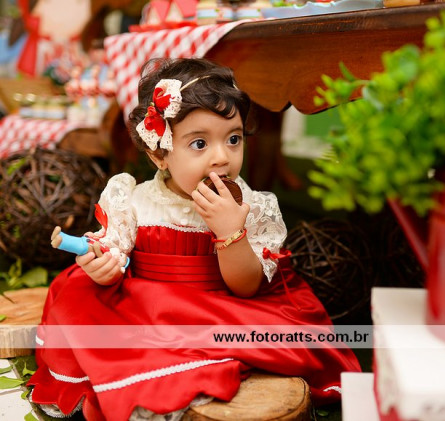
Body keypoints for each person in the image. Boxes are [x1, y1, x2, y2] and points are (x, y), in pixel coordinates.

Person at [28, 57, 361, 421]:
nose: (221, 157)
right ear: (159, 154)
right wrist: (104, 268)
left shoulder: (251, 205)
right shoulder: (136, 200)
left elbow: (246, 287)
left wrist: (230, 232)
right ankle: (144, 390)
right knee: (81, 299)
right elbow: (115, 253)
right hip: (149, 309)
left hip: (222, 308)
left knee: (270, 338)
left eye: (233, 139)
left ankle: (192, 380)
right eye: (200, 143)